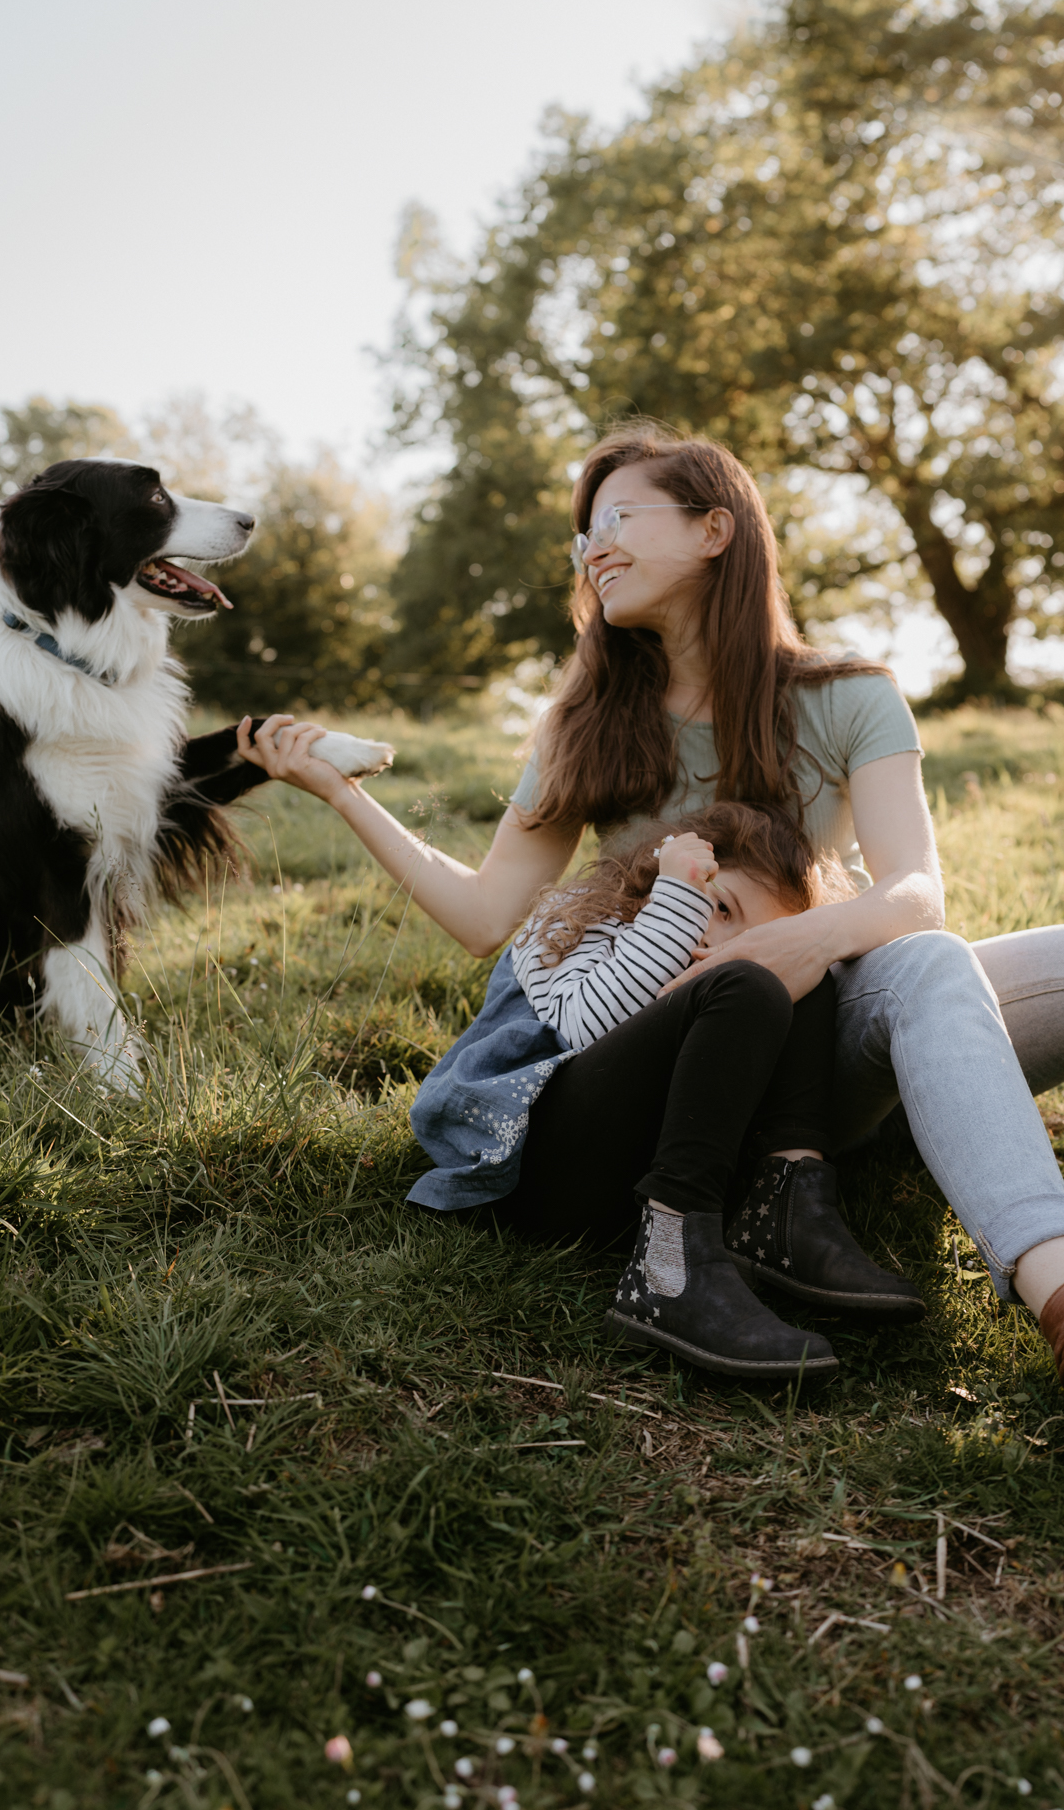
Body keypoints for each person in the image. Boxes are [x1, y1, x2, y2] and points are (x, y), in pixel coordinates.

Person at [237, 422, 1064, 1383]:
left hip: (820, 1030)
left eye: (621, 516)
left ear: (716, 530)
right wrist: (344, 796)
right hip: (670, 1053)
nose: (595, 547)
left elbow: (916, 889)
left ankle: (1045, 1279)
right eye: (585, 533)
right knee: (852, 974)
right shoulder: (582, 726)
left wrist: (799, 942)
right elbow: (481, 915)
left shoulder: (850, 694)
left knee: (925, 954)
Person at [501, 800, 920, 1378]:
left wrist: (770, 964)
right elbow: (583, 1026)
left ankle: (784, 1212)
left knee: (795, 971)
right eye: (720, 907)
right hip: (541, 1167)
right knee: (750, 977)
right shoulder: (579, 918)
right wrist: (678, 904)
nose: (720, 943)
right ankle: (666, 1276)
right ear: (660, 880)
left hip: (636, 1182)